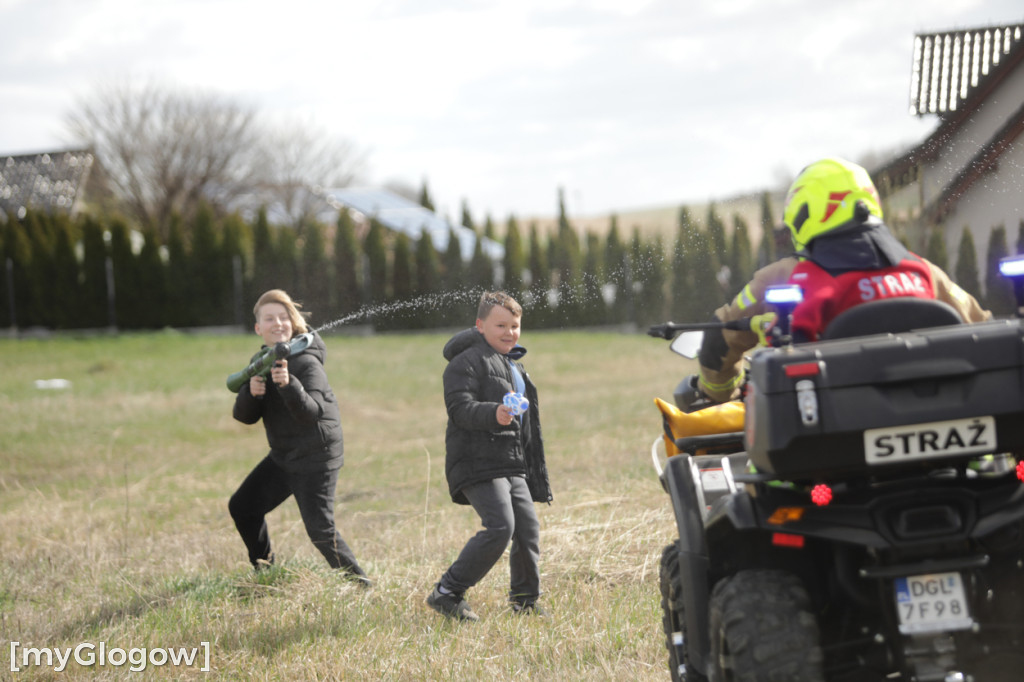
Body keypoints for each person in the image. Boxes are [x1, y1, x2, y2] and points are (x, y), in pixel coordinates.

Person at [697, 156, 991, 404]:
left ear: (803, 212)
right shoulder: (924, 272)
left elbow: (719, 337)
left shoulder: (785, 276)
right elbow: (985, 329)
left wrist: (718, 395)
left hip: (830, 436)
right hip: (938, 417)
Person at [228, 289, 370, 586]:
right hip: (285, 456)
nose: (277, 323)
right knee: (243, 506)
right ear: (258, 328)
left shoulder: (306, 362)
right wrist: (249, 395)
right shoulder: (263, 362)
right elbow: (245, 418)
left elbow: (312, 413)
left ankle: (360, 585)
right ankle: (265, 572)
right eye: (269, 319)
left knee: (319, 529)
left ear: (292, 324)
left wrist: (289, 386)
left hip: (317, 456)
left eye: (283, 317)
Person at [426, 291, 552, 621]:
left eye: (515, 325)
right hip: (475, 461)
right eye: (501, 325)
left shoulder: (513, 364)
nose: (510, 332)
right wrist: (493, 412)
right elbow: (459, 409)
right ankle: (447, 591)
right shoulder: (465, 362)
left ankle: (525, 601)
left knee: (527, 530)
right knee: (500, 527)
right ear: (480, 325)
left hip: (510, 463)